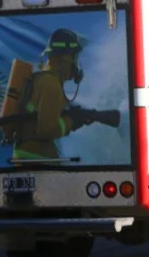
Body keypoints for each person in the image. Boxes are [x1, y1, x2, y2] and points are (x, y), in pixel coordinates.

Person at [12, 28, 91, 161]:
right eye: (75, 57)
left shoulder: (44, 79)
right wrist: (72, 122)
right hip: (36, 159)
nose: (76, 64)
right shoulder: (51, 84)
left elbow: (45, 113)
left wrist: (76, 113)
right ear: (65, 57)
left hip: (30, 157)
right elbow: (47, 129)